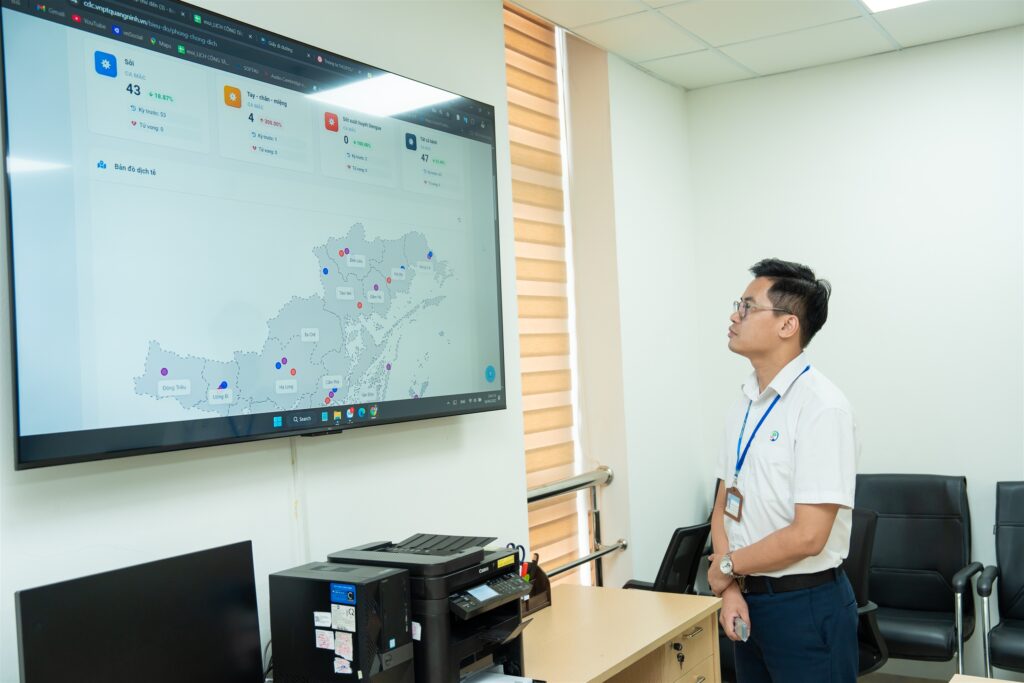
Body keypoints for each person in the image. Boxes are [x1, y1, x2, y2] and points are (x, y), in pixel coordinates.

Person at [707, 258, 859, 683]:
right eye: (738, 305)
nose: (734, 316)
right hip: (747, 601)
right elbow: (722, 505)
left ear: (787, 325)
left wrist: (725, 567)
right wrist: (731, 588)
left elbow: (808, 536)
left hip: (805, 606)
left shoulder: (821, 408)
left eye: (747, 307)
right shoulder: (744, 402)